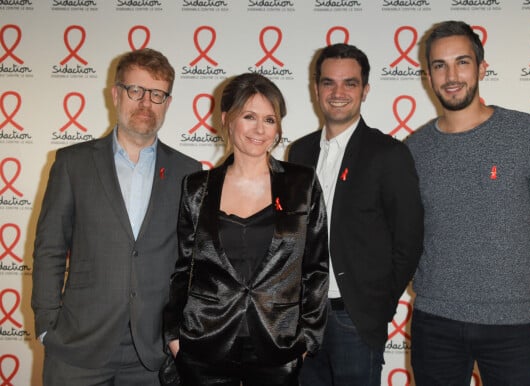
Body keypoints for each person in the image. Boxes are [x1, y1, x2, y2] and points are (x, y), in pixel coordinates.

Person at [406, 20, 530, 385]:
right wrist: (428, 281)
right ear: (427, 76)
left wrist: (515, 283)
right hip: (435, 321)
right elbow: (407, 231)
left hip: (512, 323)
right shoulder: (415, 149)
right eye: (439, 65)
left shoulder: (526, 134)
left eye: (462, 62)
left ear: (481, 68)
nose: (451, 75)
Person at [31, 48, 201, 385]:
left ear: (167, 102)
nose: (145, 103)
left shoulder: (188, 172)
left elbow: (191, 261)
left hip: (152, 354)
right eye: (135, 91)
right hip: (77, 348)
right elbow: (49, 248)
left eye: (157, 94)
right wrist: (47, 326)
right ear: (115, 94)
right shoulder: (72, 164)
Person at [163, 72, 329, 386]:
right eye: (249, 116)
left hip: (277, 345)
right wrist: (175, 336)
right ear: (226, 119)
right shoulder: (198, 188)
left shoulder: (301, 185)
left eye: (270, 119)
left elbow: (316, 269)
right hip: (204, 344)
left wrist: (306, 340)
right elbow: (183, 268)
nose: (259, 129)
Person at [288, 43, 424, 386]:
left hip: (355, 320)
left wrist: (376, 307)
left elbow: (408, 241)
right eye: (328, 83)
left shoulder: (388, 153)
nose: (338, 93)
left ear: (365, 90)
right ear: (316, 88)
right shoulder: (299, 152)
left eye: (349, 83)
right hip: (303, 319)